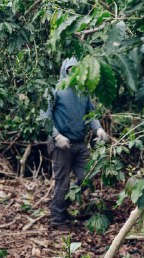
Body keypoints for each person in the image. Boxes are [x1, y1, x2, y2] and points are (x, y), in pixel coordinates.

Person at [47, 57, 110, 231]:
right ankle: (57, 220)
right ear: (64, 71)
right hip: (61, 144)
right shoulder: (56, 90)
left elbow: (91, 114)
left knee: (86, 177)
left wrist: (98, 129)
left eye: (76, 69)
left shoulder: (83, 91)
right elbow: (45, 117)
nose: (73, 73)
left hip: (79, 143)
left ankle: (59, 207)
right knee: (63, 182)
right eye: (69, 69)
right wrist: (57, 136)